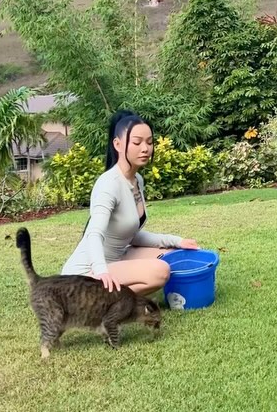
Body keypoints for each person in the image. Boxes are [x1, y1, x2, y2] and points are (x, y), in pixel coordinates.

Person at [62, 111, 198, 296]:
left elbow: (130, 235)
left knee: (171, 255)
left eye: (149, 142)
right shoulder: (109, 183)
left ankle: (112, 299)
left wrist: (178, 241)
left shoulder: (137, 180)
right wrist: (101, 271)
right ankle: (104, 304)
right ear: (117, 144)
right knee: (160, 271)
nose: (145, 148)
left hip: (117, 259)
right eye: (137, 142)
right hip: (86, 273)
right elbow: (93, 234)